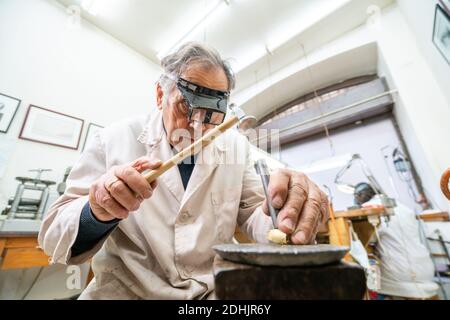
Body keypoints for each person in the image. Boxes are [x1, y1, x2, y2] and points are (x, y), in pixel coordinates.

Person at [38, 42, 330, 299]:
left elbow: (256, 213)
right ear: (159, 95)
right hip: (129, 293)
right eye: (186, 108)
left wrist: (285, 212)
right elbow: (53, 234)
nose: (198, 126)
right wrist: (97, 211)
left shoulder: (235, 147)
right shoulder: (115, 139)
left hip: (213, 292)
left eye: (213, 116)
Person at [353, 183, 438, 299]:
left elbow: (364, 240)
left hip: (400, 273)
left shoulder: (369, 209)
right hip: (426, 267)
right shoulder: (401, 206)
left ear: (359, 196)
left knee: (369, 284)